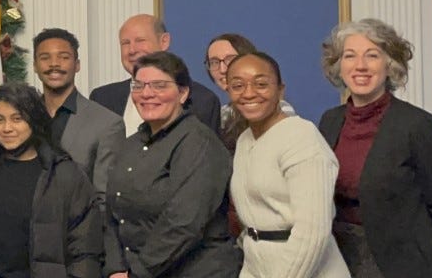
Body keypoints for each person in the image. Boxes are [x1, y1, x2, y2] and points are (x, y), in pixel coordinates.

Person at [316, 18, 432, 277]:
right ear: (339, 66)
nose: (360, 66)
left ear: (390, 64)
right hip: (335, 259)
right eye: (350, 56)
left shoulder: (418, 125)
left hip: (398, 264)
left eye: (372, 55)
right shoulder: (329, 121)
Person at [103, 51, 240, 278]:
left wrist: (137, 273)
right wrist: (115, 268)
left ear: (183, 93)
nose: (147, 94)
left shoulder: (199, 142)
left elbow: (184, 222)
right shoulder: (129, 145)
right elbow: (112, 212)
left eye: (159, 86)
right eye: (138, 86)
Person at [0, 83, 102, 278]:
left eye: (17, 119)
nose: (7, 128)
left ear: (35, 122)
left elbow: (85, 250)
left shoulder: (65, 174)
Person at [226, 52, 348, 278]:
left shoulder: (301, 136)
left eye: (261, 84)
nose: (249, 93)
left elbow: (312, 234)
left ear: (280, 90)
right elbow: (254, 223)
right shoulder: (244, 140)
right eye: (238, 85)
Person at [89, 14, 221, 136]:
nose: (132, 50)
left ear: (164, 41)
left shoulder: (203, 101)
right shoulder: (102, 98)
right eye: (125, 43)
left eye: (140, 40)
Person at [31, 27, 123, 196]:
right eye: (45, 58)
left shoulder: (107, 124)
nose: (54, 64)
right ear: (35, 66)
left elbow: (104, 197)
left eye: (63, 57)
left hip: (78, 221)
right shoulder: (24, 116)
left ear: (77, 65)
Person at [202, 33, 295, 152]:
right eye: (214, 62)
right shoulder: (222, 115)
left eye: (230, 59)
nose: (223, 69)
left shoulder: (280, 110)